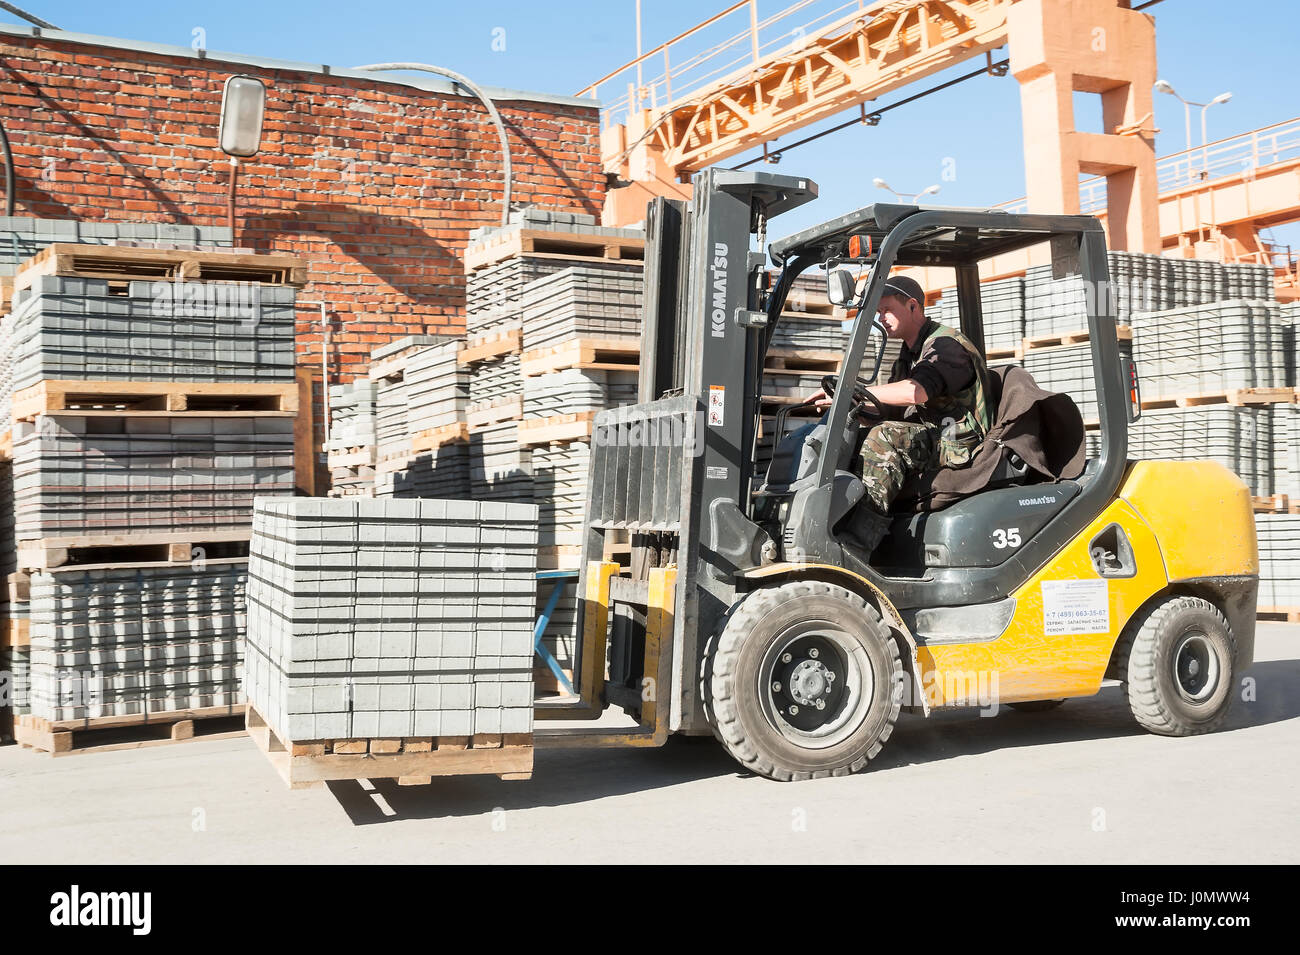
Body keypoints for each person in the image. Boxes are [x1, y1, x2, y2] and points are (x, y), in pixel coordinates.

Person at [808, 274, 992, 553]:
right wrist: (849, 406)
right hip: (933, 437)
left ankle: (859, 544)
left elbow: (914, 393)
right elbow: (891, 407)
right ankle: (830, 522)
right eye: (878, 312)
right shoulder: (908, 354)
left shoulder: (945, 347)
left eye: (886, 310)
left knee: (884, 437)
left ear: (913, 307)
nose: (881, 317)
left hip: (958, 441)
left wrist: (848, 392)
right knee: (852, 431)